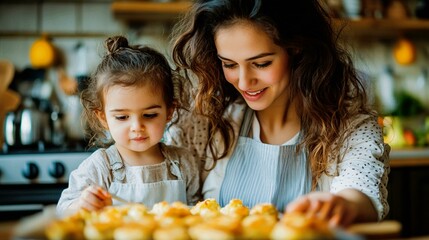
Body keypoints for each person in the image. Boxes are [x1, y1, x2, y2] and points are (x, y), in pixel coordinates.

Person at [166, 0, 390, 227]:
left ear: (296, 49)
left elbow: (361, 193)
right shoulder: (205, 122)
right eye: (229, 64)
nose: (244, 82)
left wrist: (342, 205)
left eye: (261, 63)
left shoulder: (350, 127)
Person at [56, 35, 200, 216]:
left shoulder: (184, 164)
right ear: (103, 118)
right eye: (122, 117)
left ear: (170, 111)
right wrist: (81, 205)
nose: (137, 126)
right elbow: (62, 212)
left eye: (149, 115)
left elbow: (198, 213)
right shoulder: (100, 168)